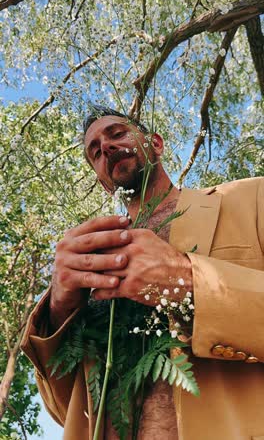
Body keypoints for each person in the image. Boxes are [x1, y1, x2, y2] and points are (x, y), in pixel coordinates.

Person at [21, 105, 264, 440]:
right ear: (103, 183)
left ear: (156, 144)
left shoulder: (251, 198)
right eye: (94, 151)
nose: (105, 147)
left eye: (117, 133)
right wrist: (60, 308)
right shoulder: (90, 262)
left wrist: (187, 279)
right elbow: (67, 412)